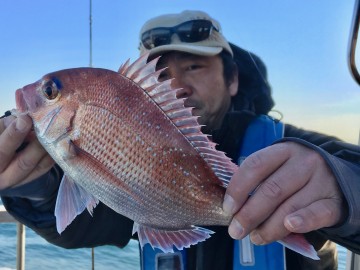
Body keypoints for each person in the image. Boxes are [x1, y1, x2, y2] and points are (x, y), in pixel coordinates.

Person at [0, 9, 359, 270]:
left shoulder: (291, 147)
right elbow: (84, 224)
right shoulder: (123, 150)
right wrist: (36, 188)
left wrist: (344, 187)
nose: (178, 86)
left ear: (232, 79)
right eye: (161, 75)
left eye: (193, 66)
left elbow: (350, 167)